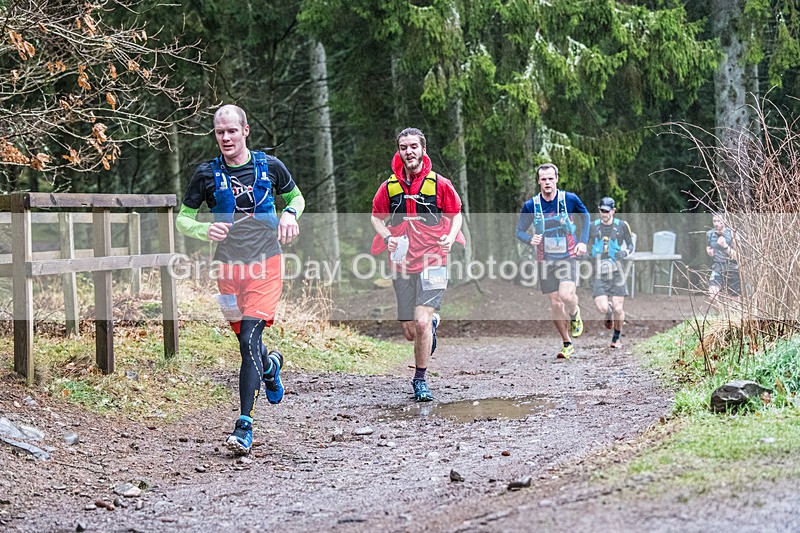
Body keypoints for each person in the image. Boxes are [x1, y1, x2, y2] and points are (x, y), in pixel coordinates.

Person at [175, 104, 305, 455]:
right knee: (246, 343)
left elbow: (296, 197)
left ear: (245, 131)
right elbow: (182, 220)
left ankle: (244, 425)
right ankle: (271, 365)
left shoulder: (270, 167)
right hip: (227, 271)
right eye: (220, 132)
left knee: (249, 336)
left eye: (232, 130)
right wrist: (204, 229)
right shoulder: (206, 174)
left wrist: (291, 214)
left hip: (266, 265)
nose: (226, 137)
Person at [370, 127, 464, 402]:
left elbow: (456, 213)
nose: (408, 151)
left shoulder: (439, 183)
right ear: (398, 151)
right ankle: (430, 324)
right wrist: (387, 235)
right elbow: (376, 217)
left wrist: (449, 235)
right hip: (401, 258)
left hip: (434, 255)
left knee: (421, 323)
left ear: (423, 149)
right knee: (411, 330)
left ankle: (420, 379)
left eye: (413, 146)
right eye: (403, 147)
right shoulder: (390, 186)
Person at [515, 163, 590, 359]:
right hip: (545, 259)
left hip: (568, 255)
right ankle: (567, 343)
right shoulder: (531, 205)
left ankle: (575, 313)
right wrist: (530, 239)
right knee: (555, 303)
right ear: (539, 181)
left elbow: (586, 217)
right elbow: (519, 231)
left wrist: (583, 242)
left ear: (556, 179)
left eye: (550, 178)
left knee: (566, 296)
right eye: (543, 179)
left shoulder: (569, 199)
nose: (547, 182)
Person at [587, 197, 635, 348]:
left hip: (617, 271)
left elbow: (631, 244)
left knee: (619, 308)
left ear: (613, 211)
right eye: (601, 211)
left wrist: (625, 252)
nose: (604, 214)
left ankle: (616, 338)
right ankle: (608, 313)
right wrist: (586, 254)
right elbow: (583, 243)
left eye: (607, 211)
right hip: (598, 272)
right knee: (602, 308)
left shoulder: (622, 225)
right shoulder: (592, 226)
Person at [706, 213, 741, 309]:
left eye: (719, 221)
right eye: (714, 221)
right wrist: (709, 252)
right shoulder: (710, 234)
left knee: (735, 304)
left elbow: (738, 256)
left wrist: (725, 246)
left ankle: (731, 319)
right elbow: (708, 247)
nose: (716, 224)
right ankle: (722, 315)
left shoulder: (732, 234)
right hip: (717, 267)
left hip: (732, 268)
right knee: (712, 297)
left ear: (725, 221)